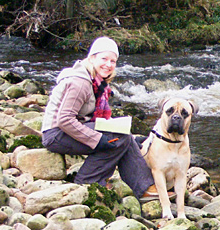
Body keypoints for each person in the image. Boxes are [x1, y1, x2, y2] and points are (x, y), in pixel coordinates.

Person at [41, 37, 172, 201]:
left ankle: (146, 187)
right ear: (92, 58)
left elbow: (87, 119)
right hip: (56, 135)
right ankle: (87, 182)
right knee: (116, 139)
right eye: (104, 59)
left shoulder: (96, 82)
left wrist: (131, 139)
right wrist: (98, 139)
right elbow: (65, 120)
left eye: (113, 61)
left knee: (123, 135)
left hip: (70, 128)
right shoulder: (80, 82)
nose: (108, 64)